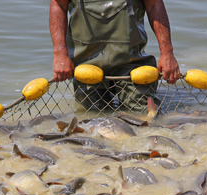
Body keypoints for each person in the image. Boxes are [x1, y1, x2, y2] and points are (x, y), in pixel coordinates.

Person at [49, 0, 180, 112]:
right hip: (87, 63)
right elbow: (58, 5)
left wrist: (167, 53)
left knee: (144, 116)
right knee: (91, 119)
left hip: (132, 62)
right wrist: (60, 54)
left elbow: (154, 4)